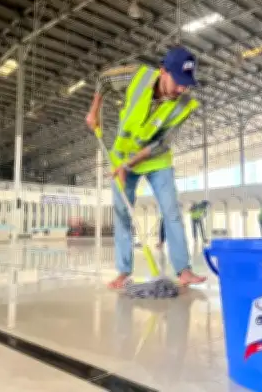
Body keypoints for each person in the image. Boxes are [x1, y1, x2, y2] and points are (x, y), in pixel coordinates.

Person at [85, 46, 207, 289]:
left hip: (156, 160)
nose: (182, 89)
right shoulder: (137, 76)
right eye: (178, 82)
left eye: (186, 83)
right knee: (122, 213)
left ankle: (183, 270)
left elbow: (162, 144)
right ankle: (123, 272)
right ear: (163, 72)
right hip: (122, 154)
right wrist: (94, 111)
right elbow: (104, 80)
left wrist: (129, 165)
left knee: (171, 211)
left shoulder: (185, 104)